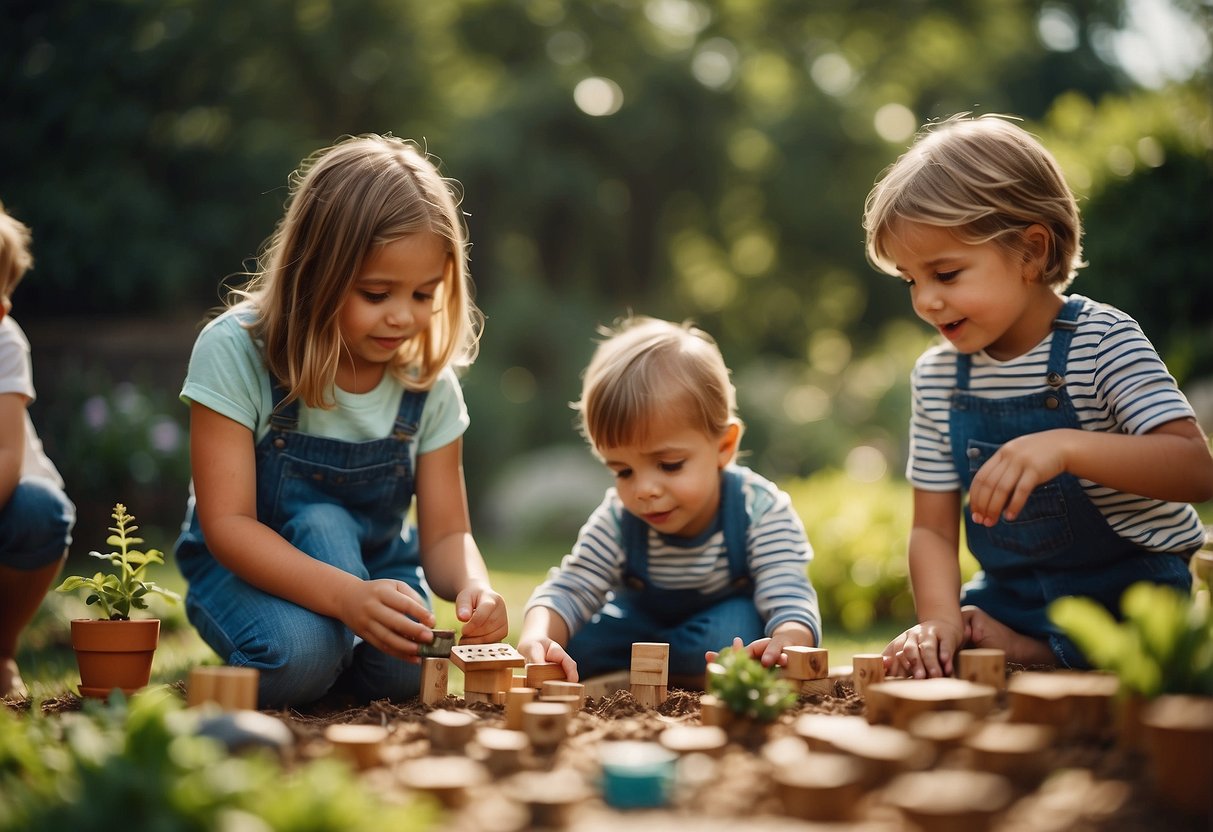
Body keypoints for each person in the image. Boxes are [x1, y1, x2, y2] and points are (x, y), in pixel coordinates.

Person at [863, 114, 1213, 677]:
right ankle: (1025, 645)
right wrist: (942, 621)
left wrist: (1066, 446)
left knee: (1139, 644)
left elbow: (1196, 470)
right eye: (910, 280)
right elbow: (930, 526)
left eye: (946, 274)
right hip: (1012, 595)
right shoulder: (938, 378)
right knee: (968, 628)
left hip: (1129, 591)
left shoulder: (1101, 341)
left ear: (1030, 252)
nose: (925, 300)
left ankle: (1040, 653)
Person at [174, 135, 506, 708]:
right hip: (248, 572)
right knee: (300, 652)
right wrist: (347, 598)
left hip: (379, 565)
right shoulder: (236, 350)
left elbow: (448, 533)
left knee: (407, 674)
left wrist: (474, 585)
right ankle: (321, 655)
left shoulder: (427, 384)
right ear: (316, 272)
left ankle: (340, 658)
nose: (403, 316)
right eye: (377, 293)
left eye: (425, 294)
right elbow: (228, 525)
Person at [518, 316, 821, 682]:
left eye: (669, 465)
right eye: (623, 471)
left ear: (724, 446)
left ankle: (656, 664)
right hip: (638, 627)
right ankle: (658, 663)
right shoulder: (618, 518)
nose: (644, 489)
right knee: (576, 641)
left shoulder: (758, 509)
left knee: (731, 633)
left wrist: (788, 638)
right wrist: (539, 636)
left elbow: (787, 588)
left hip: (716, 629)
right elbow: (572, 586)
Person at [0, 200, 76, 700]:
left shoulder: (5, 343)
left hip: (8, 506)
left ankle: (0, 649)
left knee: (41, 511)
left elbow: (7, 455)